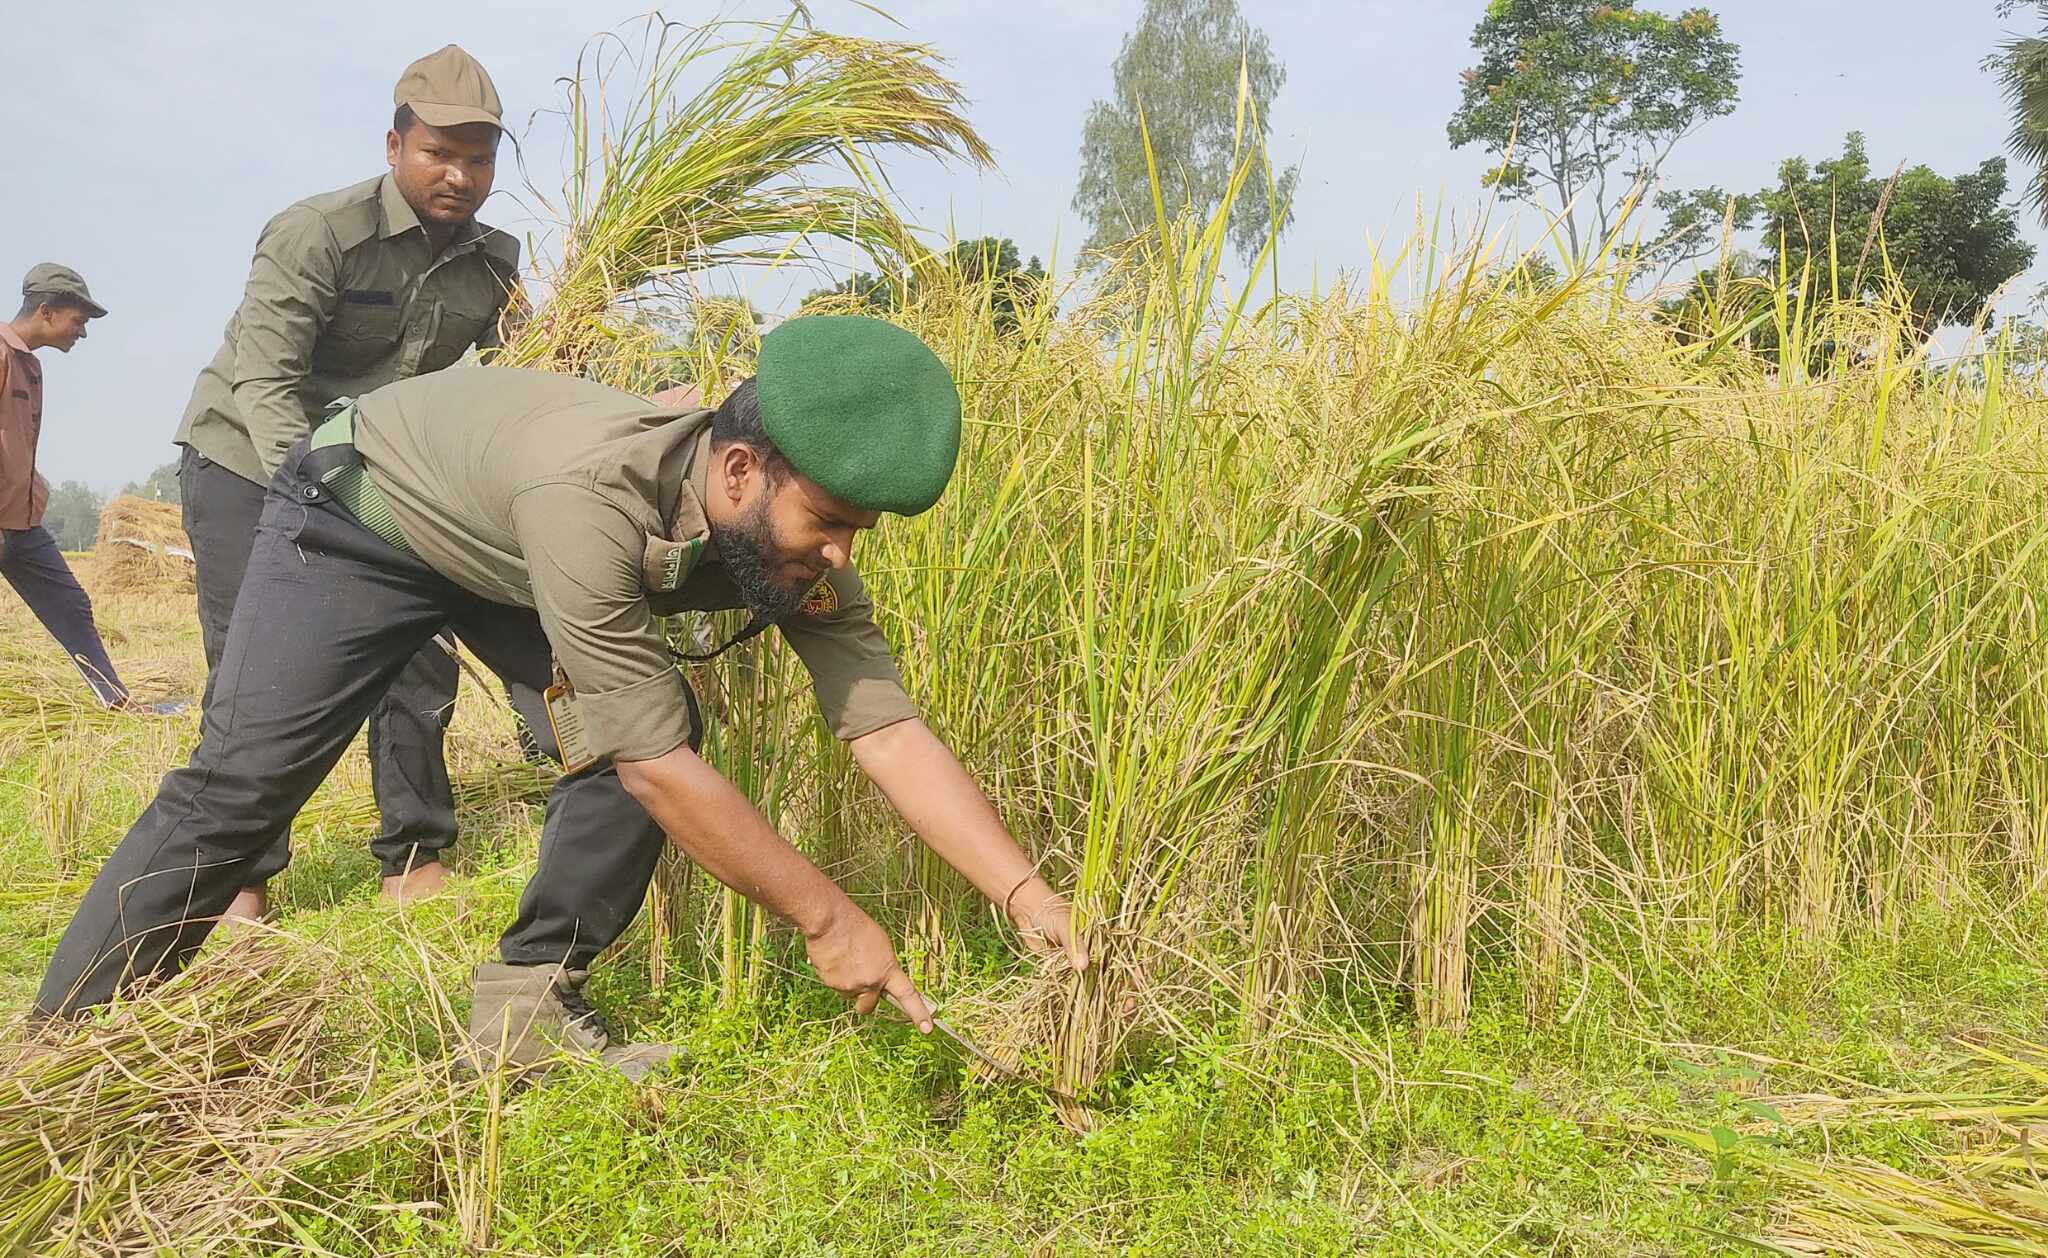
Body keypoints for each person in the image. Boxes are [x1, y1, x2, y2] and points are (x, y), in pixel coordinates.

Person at [35, 315, 1086, 1079]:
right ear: (736, 471)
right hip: (363, 515)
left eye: (862, 530)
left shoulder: (784, 536)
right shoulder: (591, 499)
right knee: (241, 788)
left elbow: (887, 729)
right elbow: (657, 766)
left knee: (631, 736)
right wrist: (825, 917)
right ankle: (66, 1049)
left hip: (503, 556)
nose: (842, 554)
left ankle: (524, 1015)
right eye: (830, 521)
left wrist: (1025, 895)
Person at [174, 44, 521, 918]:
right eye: (439, 152)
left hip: (381, 474)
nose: (459, 175)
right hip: (248, 459)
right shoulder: (318, 232)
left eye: (478, 159)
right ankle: (239, 880)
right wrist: (314, 500)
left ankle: (414, 855)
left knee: (412, 651)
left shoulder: (495, 263)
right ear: (394, 145)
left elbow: (526, 376)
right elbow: (265, 381)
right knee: (254, 672)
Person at [1, 264, 170, 712]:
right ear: (47, 311)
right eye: (79, 321)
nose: (83, 333)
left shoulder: (30, 366)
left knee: (70, 604)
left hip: (22, 524)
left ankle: (115, 701)